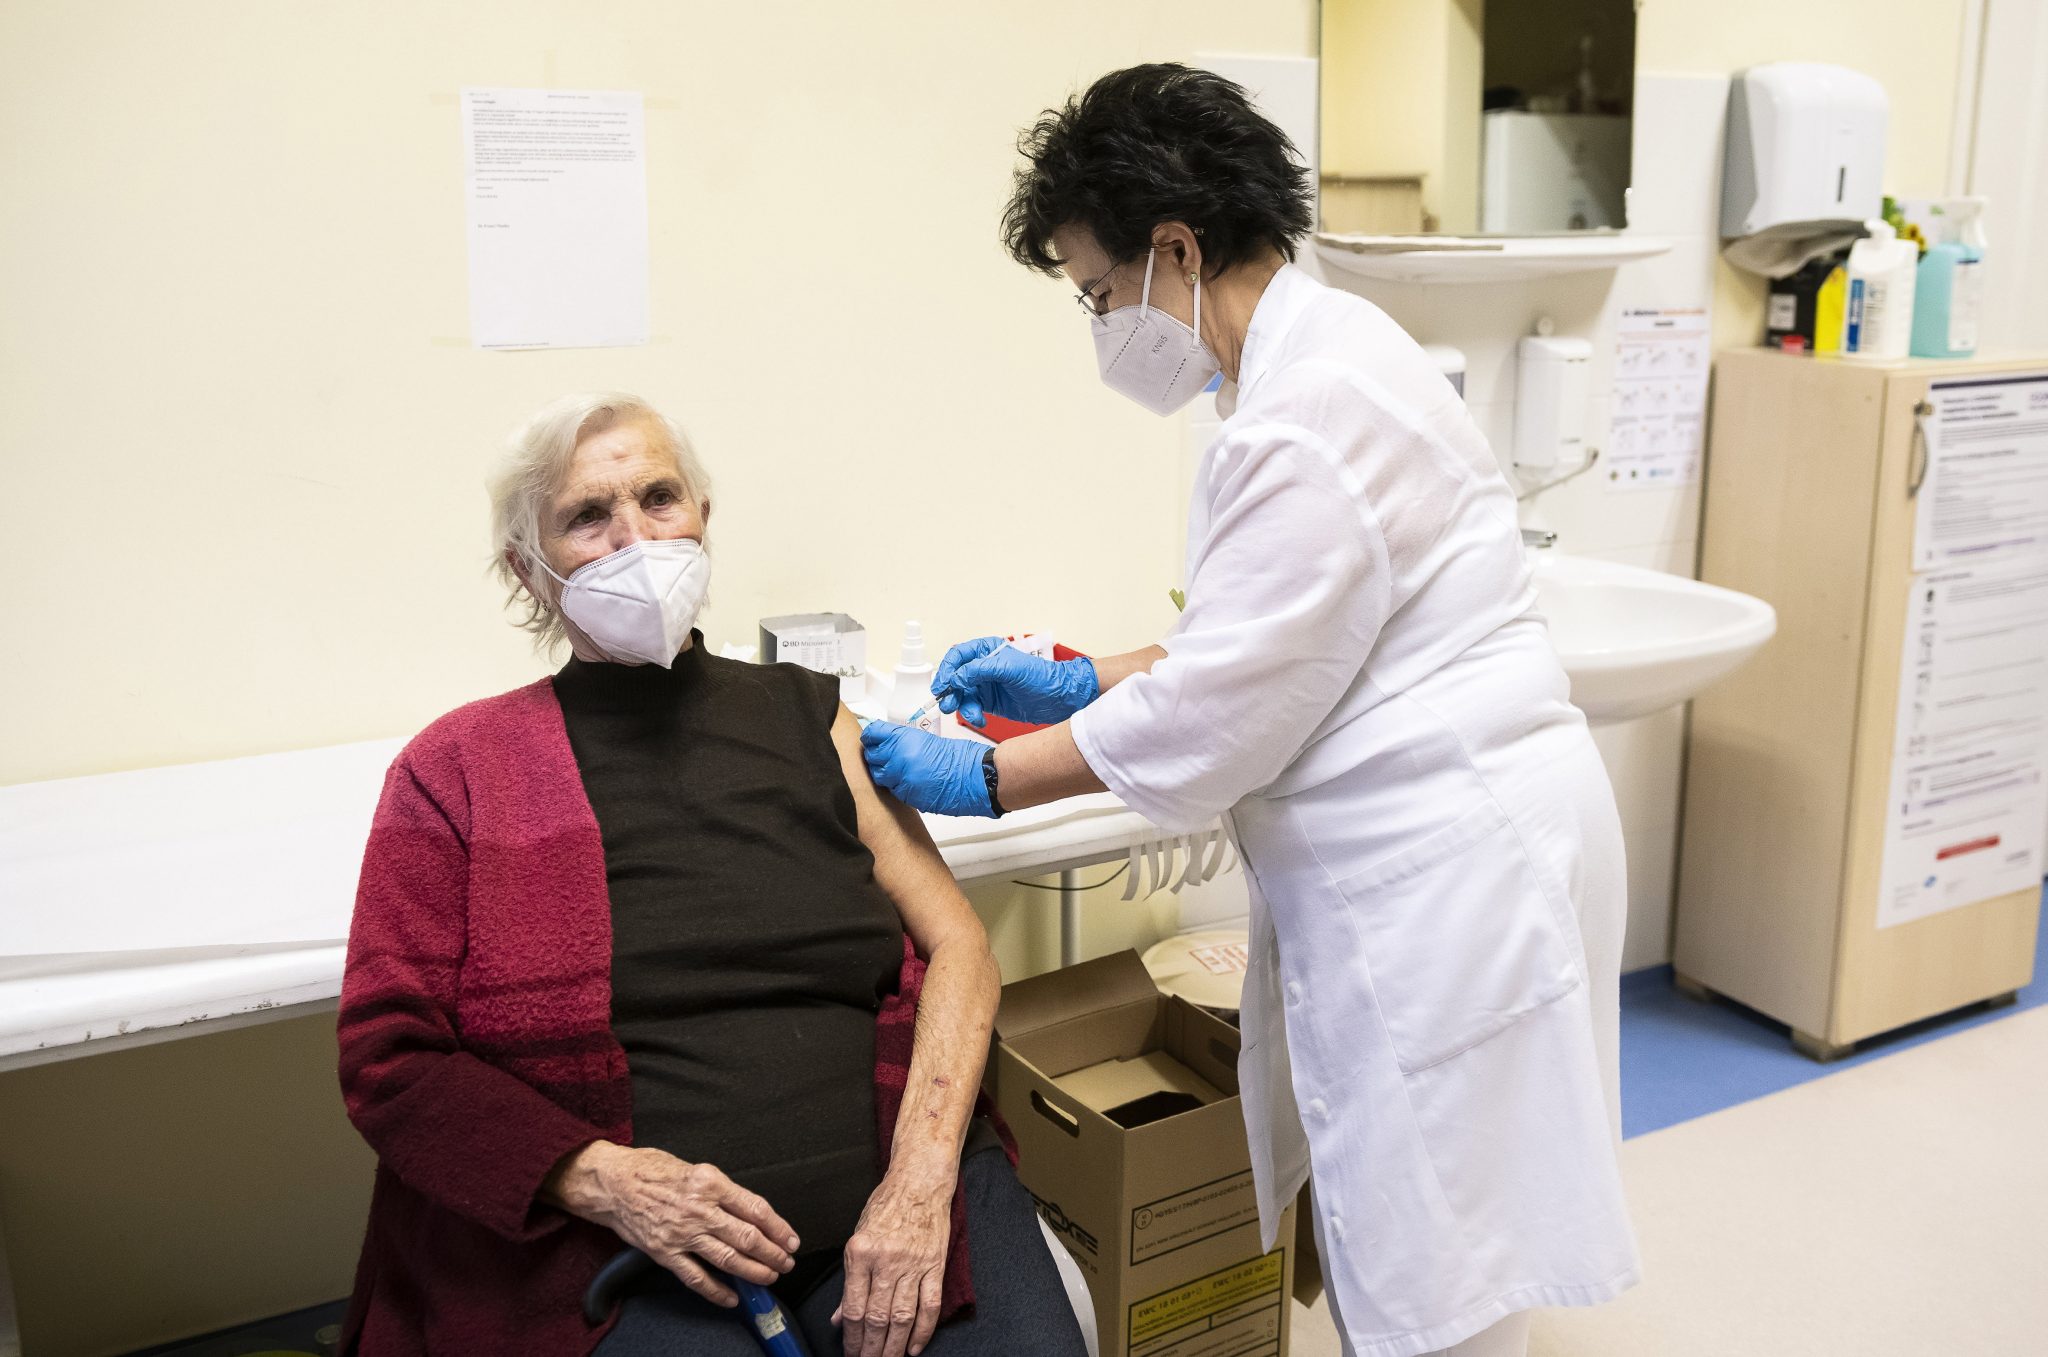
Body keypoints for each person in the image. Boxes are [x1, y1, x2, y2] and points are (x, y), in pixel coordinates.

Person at [861, 65, 1639, 1357]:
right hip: (1449, 848)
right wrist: (1089, 677)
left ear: (1175, 249)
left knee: (1440, 1251)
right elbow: (1275, 638)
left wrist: (985, 778)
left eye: (1097, 293)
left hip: (1443, 873)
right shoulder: (1320, 361)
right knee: (1442, 1234)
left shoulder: (1304, 419)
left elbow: (1223, 705)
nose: (1101, 324)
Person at [336, 392, 1087, 1357]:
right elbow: (388, 1057)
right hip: (630, 1249)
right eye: (587, 516)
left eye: (659, 497)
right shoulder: (457, 770)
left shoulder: (812, 716)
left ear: (702, 517)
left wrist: (921, 1179)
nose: (635, 538)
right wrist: (609, 1181)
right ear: (529, 570)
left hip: (898, 1194)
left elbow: (960, 947)